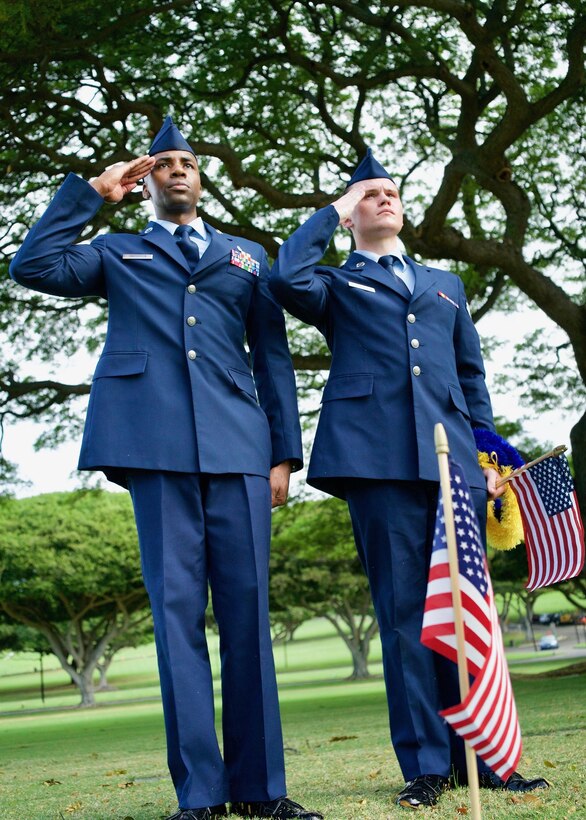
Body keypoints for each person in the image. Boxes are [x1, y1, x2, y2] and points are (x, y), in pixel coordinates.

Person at [9, 117, 323, 820]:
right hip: (153, 451)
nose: (178, 169)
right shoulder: (117, 252)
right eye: (165, 163)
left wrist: (282, 453)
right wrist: (92, 193)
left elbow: (270, 358)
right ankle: (201, 796)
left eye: (187, 161)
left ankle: (261, 791)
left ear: (199, 178)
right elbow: (31, 265)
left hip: (242, 454)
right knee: (176, 619)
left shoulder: (246, 257)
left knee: (247, 619)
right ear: (149, 180)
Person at [269, 150, 549, 809]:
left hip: (455, 464)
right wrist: (334, 211)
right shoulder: (336, 284)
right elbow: (285, 276)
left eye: (390, 191)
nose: (383, 199)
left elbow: (472, 378)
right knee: (403, 617)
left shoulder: (446, 284)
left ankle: (487, 760)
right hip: (374, 463)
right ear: (352, 213)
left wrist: (491, 458)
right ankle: (426, 765)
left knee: (467, 607)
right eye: (369, 195)